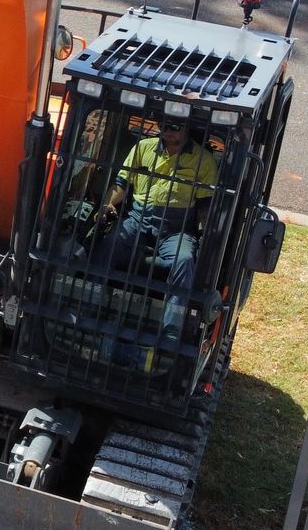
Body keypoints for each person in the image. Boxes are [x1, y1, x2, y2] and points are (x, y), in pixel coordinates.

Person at [89, 117, 219, 354]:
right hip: (138, 219)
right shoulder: (143, 148)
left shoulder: (204, 160)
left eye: (174, 126)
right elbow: (121, 184)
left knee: (184, 260)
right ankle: (90, 304)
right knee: (110, 244)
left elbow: (204, 207)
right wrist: (107, 206)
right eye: (164, 125)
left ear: (188, 127)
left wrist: (206, 232)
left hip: (177, 228)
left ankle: (171, 330)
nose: (167, 131)